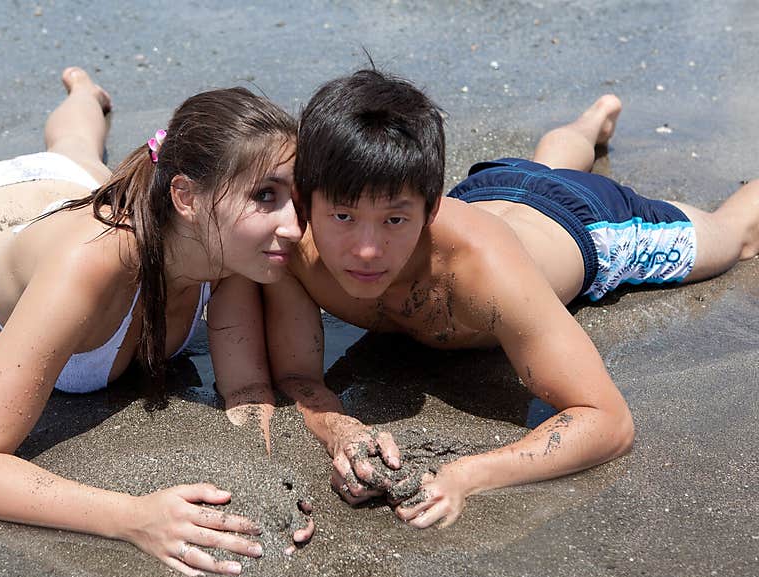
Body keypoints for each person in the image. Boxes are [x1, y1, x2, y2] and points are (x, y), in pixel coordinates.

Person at [263, 68, 759, 529]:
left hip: (586, 224)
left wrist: (465, 476)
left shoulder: (485, 271)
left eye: (395, 220)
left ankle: (588, 133)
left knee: (734, 238)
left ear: (429, 208)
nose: (367, 251)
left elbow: (609, 421)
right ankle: (590, 125)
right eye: (343, 217)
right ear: (306, 205)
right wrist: (342, 432)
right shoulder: (291, 255)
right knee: (543, 166)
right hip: (489, 191)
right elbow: (297, 377)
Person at [0, 66, 313, 577]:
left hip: (67, 183)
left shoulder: (232, 256)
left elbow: (245, 396)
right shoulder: (85, 266)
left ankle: (84, 92)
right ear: (187, 198)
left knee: (76, 140)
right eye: (265, 195)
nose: (294, 224)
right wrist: (132, 517)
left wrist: (280, 488)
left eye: (296, 196)